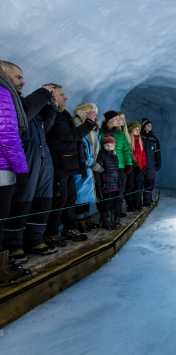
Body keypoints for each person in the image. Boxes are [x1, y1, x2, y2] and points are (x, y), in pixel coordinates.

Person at [1, 60, 60, 260]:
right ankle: (13, 244)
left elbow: (44, 127)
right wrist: (43, 94)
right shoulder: (12, 101)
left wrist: (50, 107)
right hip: (22, 160)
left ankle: (35, 238)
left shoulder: (20, 102)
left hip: (40, 158)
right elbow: (15, 125)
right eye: (18, 76)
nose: (23, 81)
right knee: (21, 201)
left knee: (42, 199)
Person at [45, 89, 96, 246]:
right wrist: (88, 123)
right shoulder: (52, 113)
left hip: (68, 165)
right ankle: (52, 233)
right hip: (59, 164)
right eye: (62, 95)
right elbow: (69, 136)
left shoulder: (63, 114)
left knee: (69, 199)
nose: (66, 97)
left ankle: (69, 227)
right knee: (60, 200)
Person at [0, 63, 31, 285]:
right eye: (18, 76)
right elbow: (8, 135)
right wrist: (21, 170)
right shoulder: (2, 93)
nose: (22, 81)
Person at [100, 111, 133, 216]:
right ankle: (106, 216)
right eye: (115, 119)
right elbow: (98, 150)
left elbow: (126, 150)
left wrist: (129, 163)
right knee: (107, 194)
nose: (118, 121)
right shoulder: (101, 133)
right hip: (107, 168)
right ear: (109, 121)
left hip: (120, 167)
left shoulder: (120, 134)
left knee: (120, 192)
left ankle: (116, 215)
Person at [72, 103, 100, 233]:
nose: (94, 115)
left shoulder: (91, 129)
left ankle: (86, 219)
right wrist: (92, 163)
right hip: (80, 167)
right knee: (80, 196)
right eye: (91, 112)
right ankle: (80, 222)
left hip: (87, 167)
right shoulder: (77, 126)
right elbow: (81, 149)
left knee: (86, 195)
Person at [95, 136, 121, 229]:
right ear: (104, 146)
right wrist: (99, 184)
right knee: (106, 205)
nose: (109, 146)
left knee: (115, 204)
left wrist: (119, 182)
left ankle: (115, 222)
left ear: (114, 145)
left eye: (111, 144)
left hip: (115, 184)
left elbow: (117, 170)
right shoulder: (101, 155)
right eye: (107, 144)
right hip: (106, 185)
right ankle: (106, 222)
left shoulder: (115, 155)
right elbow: (97, 169)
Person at [140, 118, 161, 206]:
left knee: (150, 182)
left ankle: (147, 201)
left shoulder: (154, 139)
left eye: (150, 125)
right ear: (143, 126)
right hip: (141, 164)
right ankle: (138, 202)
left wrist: (158, 162)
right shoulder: (140, 137)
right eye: (148, 125)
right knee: (140, 182)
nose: (150, 126)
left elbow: (158, 152)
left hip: (151, 164)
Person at [126, 121, 146, 211]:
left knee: (139, 186)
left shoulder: (140, 140)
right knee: (131, 186)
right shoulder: (129, 140)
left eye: (139, 129)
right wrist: (134, 164)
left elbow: (143, 154)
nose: (138, 131)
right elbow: (128, 154)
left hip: (140, 168)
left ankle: (138, 204)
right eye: (136, 129)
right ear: (131, 130)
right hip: (132, 167)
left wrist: (143, 165)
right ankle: (131, 205)